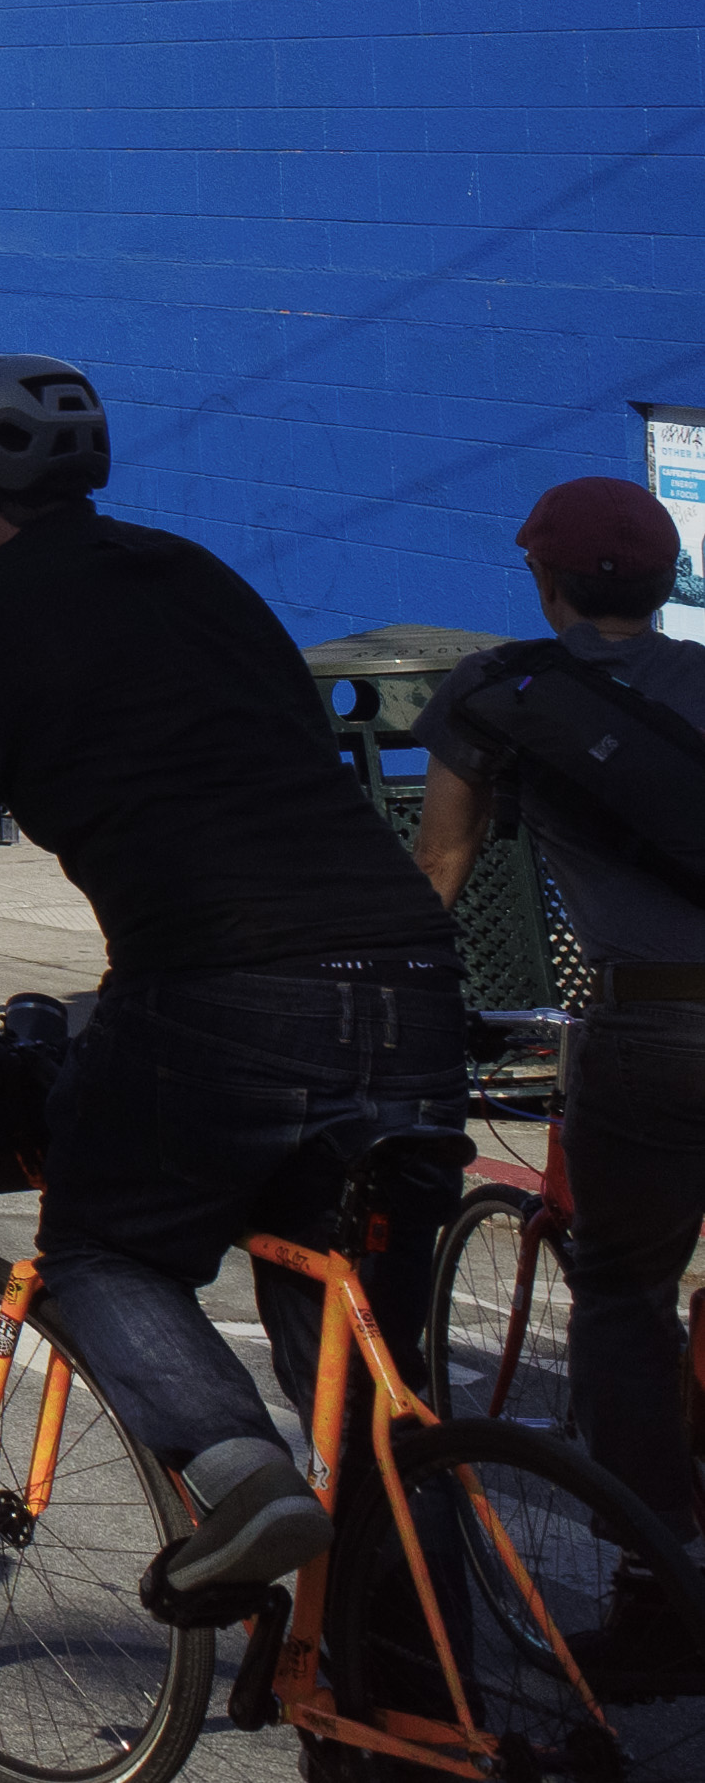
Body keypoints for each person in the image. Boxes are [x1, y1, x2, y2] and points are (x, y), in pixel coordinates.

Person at [0, 355, 468, 1612]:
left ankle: (239, 1479)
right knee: (360, 1360)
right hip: (406, 975)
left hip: (223, 985)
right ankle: (409, 1702)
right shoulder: (196, 575)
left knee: (103, 1248)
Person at [410, 477, 705, 1531]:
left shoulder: (501, 690)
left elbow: (439, 860)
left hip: (659, 1030)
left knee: (624, 1293)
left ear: (545, 580)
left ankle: (652, 1584)